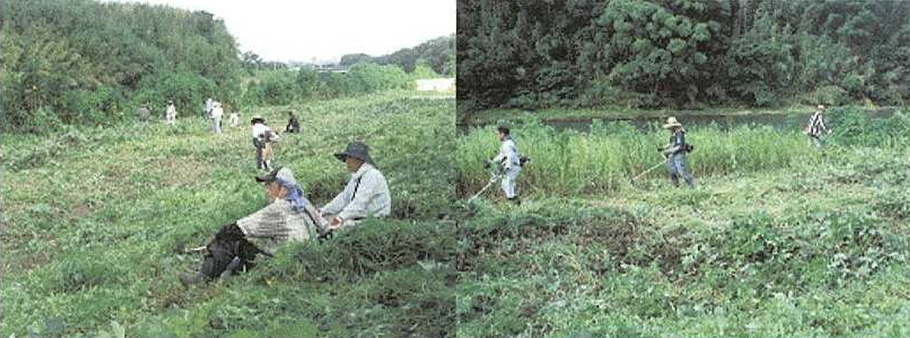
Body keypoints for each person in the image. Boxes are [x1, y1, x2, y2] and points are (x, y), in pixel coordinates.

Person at [179, 167, 324, 286]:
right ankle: (230, 272)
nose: (266, 189)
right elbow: (325, 228)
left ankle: (202, 279)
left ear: (283, 189)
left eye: (270, 185)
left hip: (283, 262)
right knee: (248, 244)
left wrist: (214, 240)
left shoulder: (278, 209)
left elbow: (238, 228)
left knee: (229, 238)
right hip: (304, 256)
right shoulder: (304, 203)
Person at [319, 141, 391, 231]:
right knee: (324, 219)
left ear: (359, 159)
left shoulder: (372, 175)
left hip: (374, 221)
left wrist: (340, 218)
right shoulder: (357, 178)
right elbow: (343, 198)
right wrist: (324, 210)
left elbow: (359, 203)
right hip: (359, 219)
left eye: (349, 157)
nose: (347, 161)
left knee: (336, 229)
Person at [484, 126, 521, 205]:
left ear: (503, 134)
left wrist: (507, 167)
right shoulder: (506, 143)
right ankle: (514, 201)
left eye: (498, 134)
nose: (497, 136)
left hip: (513, 167)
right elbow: (501, 156)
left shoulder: (508, 144)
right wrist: (491, 162)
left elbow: (510, 156)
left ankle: (515, 202)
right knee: (505, 185)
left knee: (507, 184)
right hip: (513, 167)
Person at [658, 117, 695, 188]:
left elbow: (679, 146)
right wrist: (662, 148)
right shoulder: (673, 133)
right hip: (672, 154)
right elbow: (671, 144)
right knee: (672, 171)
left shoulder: (680, 134)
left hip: (679, 155)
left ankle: (692, 185)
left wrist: (668, 152)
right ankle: (676, 186)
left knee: (682, 172)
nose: (669, 129)